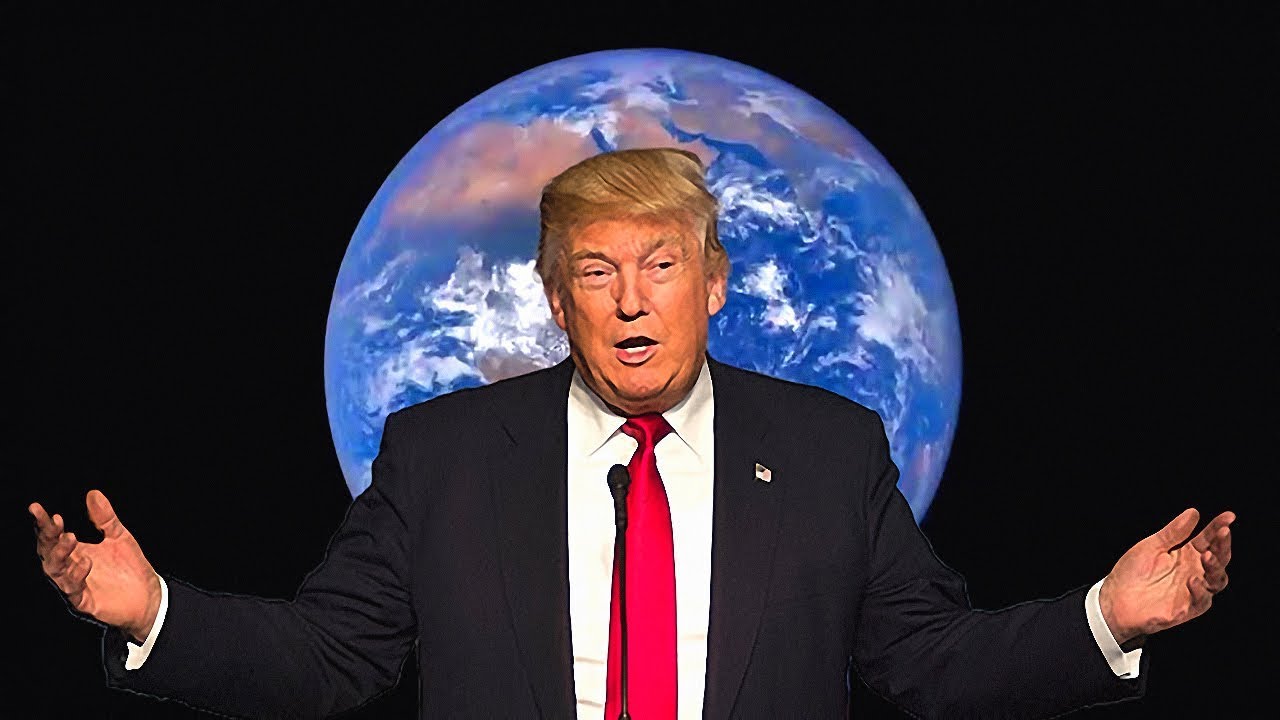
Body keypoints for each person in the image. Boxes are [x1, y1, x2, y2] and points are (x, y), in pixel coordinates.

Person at [30, 147, 1235, 719]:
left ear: (712, 284)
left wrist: (1105, 619)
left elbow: (929, 661)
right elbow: (327, 656)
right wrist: (153, 614)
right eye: (594, 272)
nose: (627, 301)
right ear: (555, 301)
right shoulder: (441, 457)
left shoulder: (829, 451)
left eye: (659, 265)